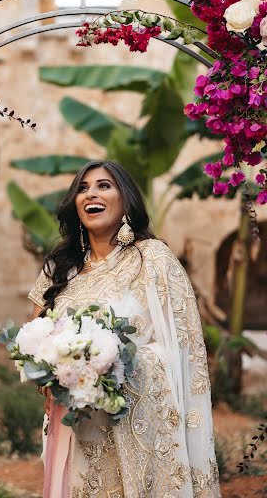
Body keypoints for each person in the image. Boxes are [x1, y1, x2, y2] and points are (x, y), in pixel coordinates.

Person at [28, 160, 221, 498]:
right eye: (83, 188)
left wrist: (106, 358)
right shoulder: (58, 268)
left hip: (136, 424)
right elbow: (36, 339)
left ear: (125, 199)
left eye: (104, 185)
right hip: (73, 425)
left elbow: (183, 349)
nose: (91, 194)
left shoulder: (152, 259)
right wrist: (55, 373)